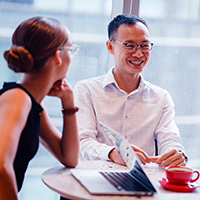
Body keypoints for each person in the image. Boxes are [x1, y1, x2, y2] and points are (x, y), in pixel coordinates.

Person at [74, 14, 188, 168]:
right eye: (130, 45)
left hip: (142, 183)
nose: (139, 53)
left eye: (144, 45)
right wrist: (113, 153)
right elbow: (82, 143)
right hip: (95, 178)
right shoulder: (86, 90)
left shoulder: (160, 97)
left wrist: (175, 154)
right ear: (110, 46)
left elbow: (170, 140)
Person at [0, 16, 80, 200]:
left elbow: (69, 158)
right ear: (57, 56)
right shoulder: (17, 98)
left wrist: (68, 102)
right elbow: (1, 167)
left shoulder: (32, 102)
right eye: (71, 49)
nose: (72, 56)